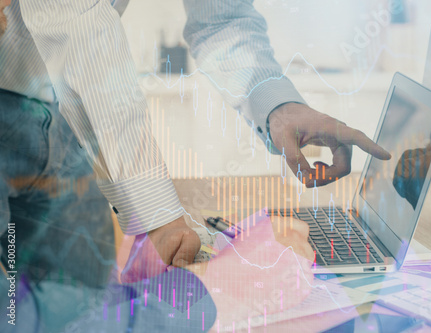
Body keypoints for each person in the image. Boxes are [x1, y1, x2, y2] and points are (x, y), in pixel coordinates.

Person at [0, 0, 390, 331]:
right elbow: (80, 26)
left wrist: (279, 108)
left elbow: (221, 16)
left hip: (60, 112)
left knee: (79, 312)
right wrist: (168, 228)